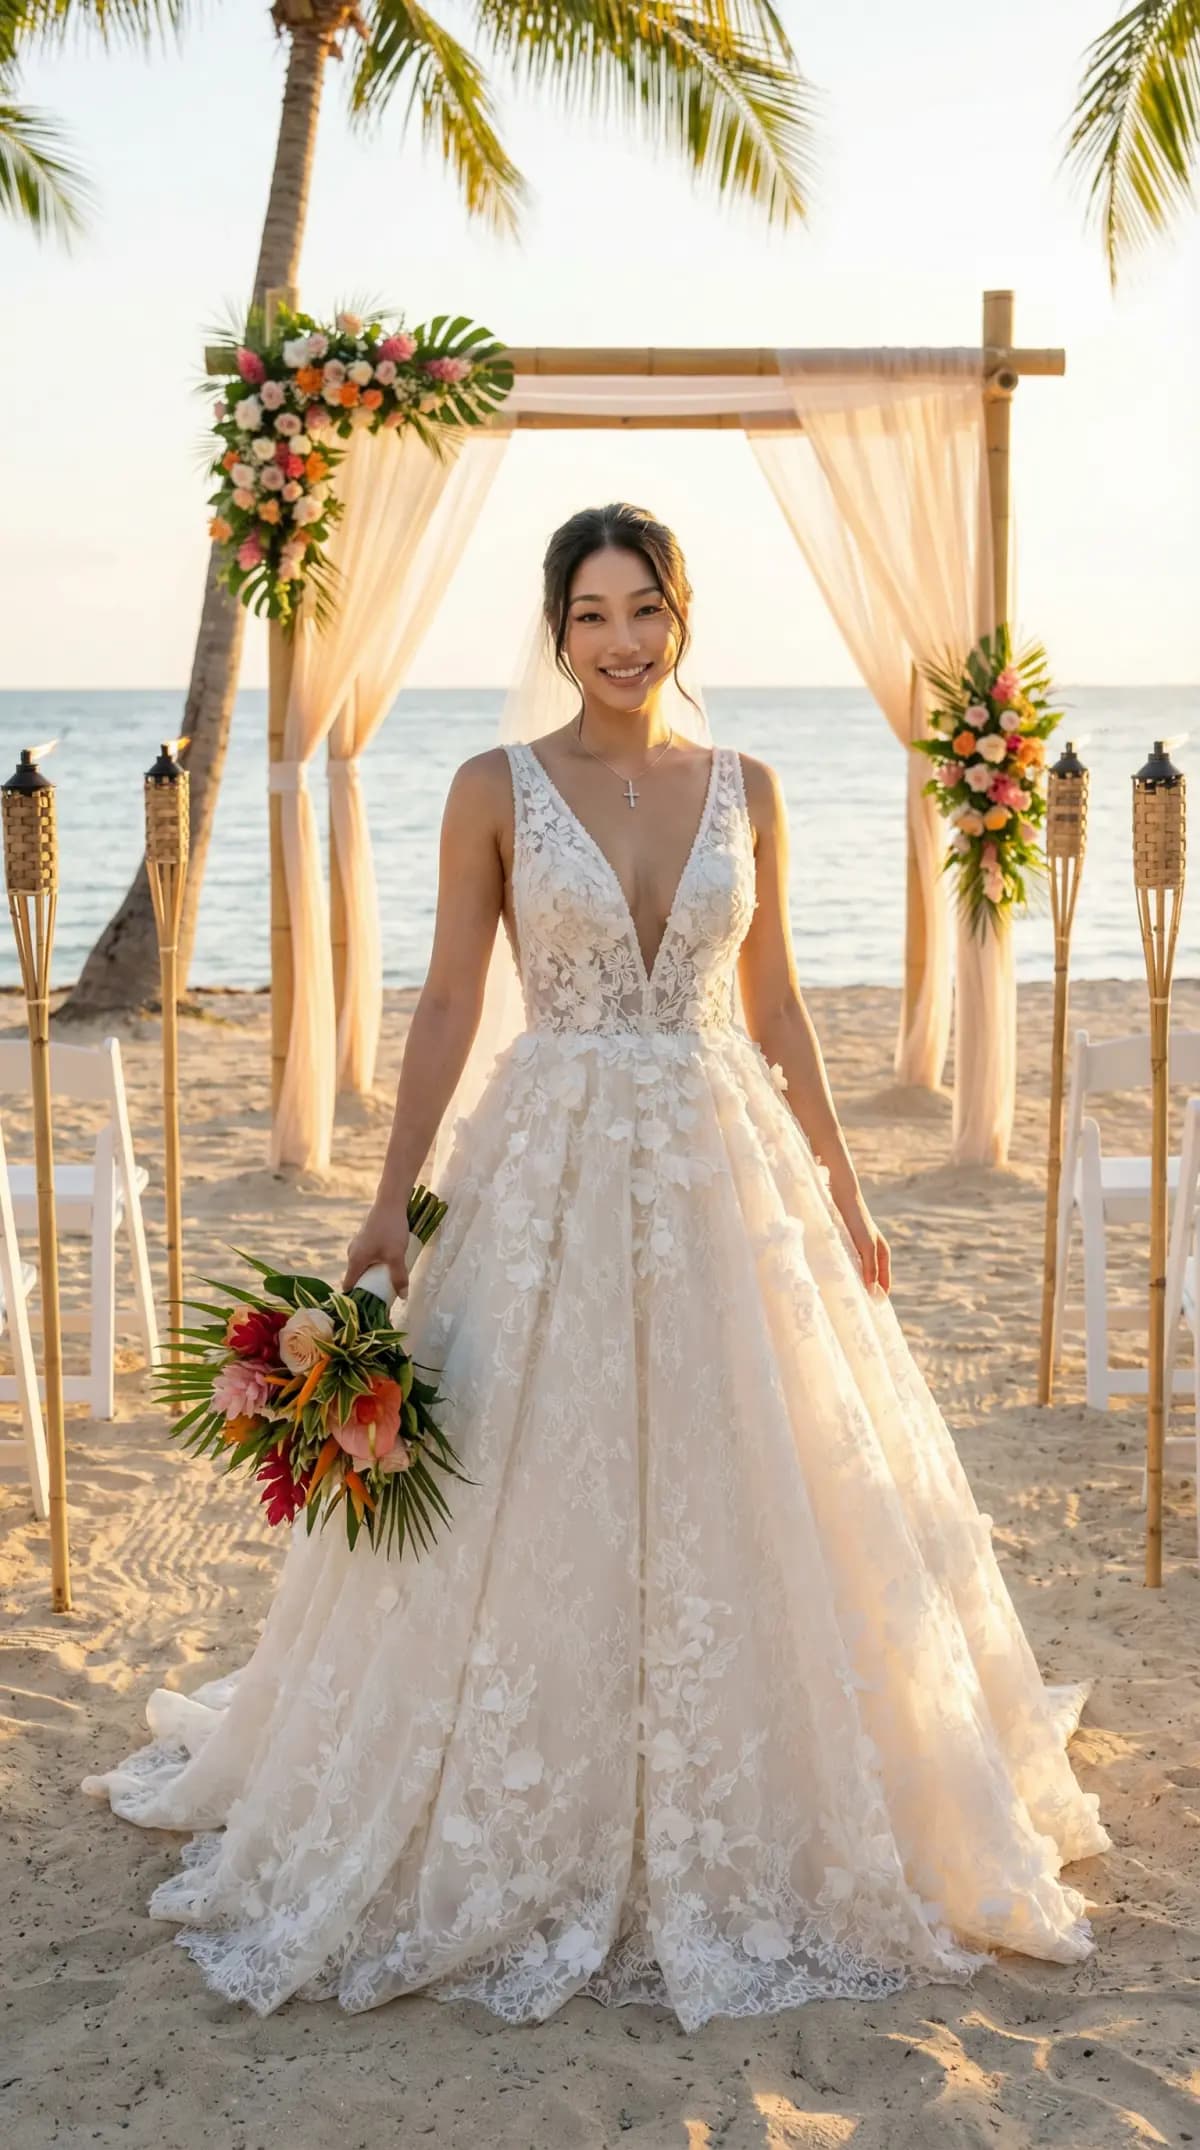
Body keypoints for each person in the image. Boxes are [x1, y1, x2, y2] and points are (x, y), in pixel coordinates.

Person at [84, 502, 1108, 2029]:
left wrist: (843, 1179)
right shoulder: (493, 787)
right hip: (545, 1163)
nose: (619, 643)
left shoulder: (749, 787)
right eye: (590, 616)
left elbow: (775, 1013)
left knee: (750, 1472)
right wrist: (387, 1198)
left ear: (679, 618)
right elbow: (441, 1006)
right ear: (555, 629)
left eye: (643, 612)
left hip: (721, 1164)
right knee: (523, 1477)